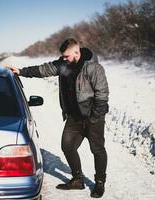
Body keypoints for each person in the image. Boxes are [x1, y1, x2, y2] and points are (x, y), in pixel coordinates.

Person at [8, 38, 109, 198]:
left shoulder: (93, 68)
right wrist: (21, 71)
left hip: (93, 117)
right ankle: (77, 179)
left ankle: (100, 182)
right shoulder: (63, 64)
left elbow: (102, 94)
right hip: (74, 117)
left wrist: (95, 116)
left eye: (67, 56)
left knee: (97, 149)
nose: (64, 59)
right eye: (62, 56)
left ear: (77, 53)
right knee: (67, 146)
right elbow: (43, 70)